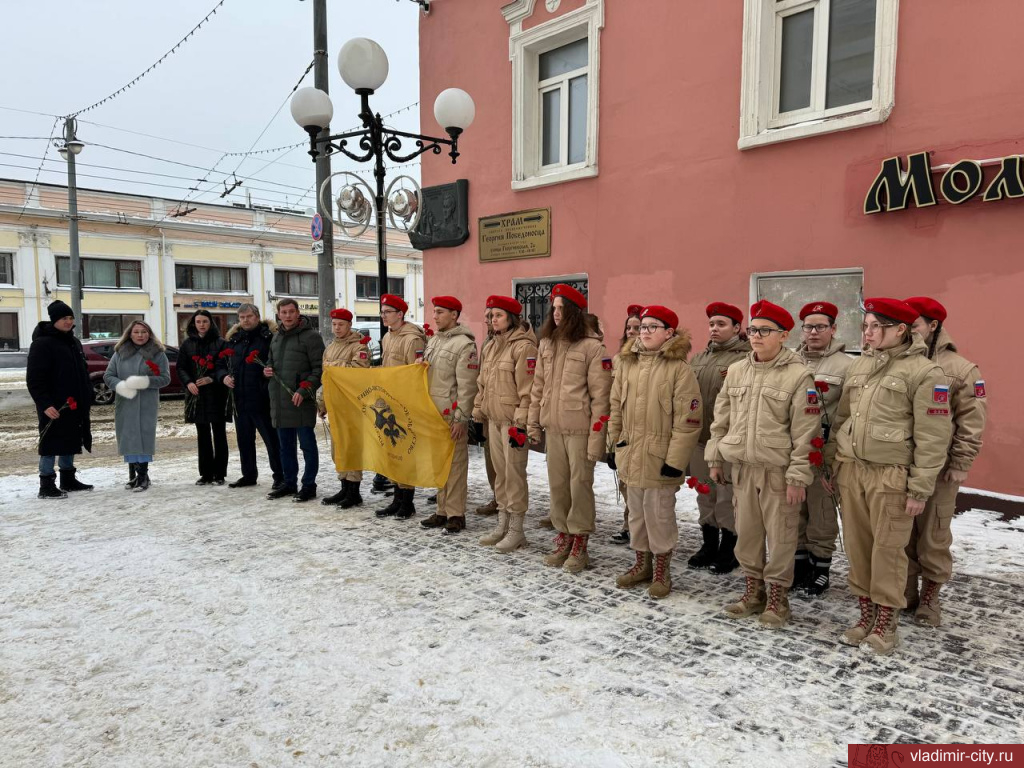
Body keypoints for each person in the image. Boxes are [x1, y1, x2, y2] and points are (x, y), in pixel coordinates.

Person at [826, 298, 952, 655]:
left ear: (900, 330)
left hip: (891, 476)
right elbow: (842, 420)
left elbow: (933, 437)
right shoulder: (859, 366)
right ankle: (865, 615)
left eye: (875, 327)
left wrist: (920, 488)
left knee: (888, 551)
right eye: (865, 326)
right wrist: (833, 462)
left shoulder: (925, 373)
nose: (867, 333)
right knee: (858, 546)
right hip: (853, 470)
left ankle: (886, 622)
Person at [706, 301, 818, 629]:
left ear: (783, 335)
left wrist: (798, 475)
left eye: (764, 331)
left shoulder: (799, 375)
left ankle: (778, 600)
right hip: (743, 468)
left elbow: (806, 432)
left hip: (778, 472)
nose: (756, 336)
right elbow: (721, 418)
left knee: (782, 537)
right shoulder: (739, 370)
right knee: (748, 534)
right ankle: (752, 592)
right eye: (753, 330)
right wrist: (715, 455)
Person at [608, 305, 702, 598]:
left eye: (652, 327)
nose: (644, 332)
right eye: (642, 326)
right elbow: (615, 407)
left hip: (661, 458)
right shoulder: (626, 364)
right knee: (636, 514)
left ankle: (662, 571)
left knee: (659, 515)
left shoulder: (679, 369)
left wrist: (675, 461)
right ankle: (641, 565)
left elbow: (688, 421)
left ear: (669, 333)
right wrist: (614, 444)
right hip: (630, 452)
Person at [904, 296, 987, 627]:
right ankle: (905, 591)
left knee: (933, 535)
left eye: (914, 326)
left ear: (933, 326)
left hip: (939, 470)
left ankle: (930, 598)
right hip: (900, 465)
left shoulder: (961, 369)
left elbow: (972, 421)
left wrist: (960, 461)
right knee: (900, 534)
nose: (908, 332)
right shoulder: (898, 363)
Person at [528, 284, 612, 573]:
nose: (557, 313)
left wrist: (596, 440)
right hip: (554, 428)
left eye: (562, 308)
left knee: (580, 487)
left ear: (575, 312)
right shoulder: (547, 343)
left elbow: (601, 399)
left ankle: (580, 542)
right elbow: (537, 387)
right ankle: (563, 534)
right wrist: (533, 423)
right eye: (554, 308)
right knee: (558, 486)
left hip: (580, 430)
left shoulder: (592, 346)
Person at [793, 301, 853, 595]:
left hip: (823, 453)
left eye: (820, 327)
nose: (813, 332)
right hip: (792, 451)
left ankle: (821, 567)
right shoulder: (789, 361)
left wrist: (833, 455)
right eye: (808, 326)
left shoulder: (847, 366)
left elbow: (847, 416)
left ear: (833, 329)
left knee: (821, 512)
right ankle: (799, 563)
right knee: (794, 510)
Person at [686, 302, 751, 573]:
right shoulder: (699, 358)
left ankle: (730, 548)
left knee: (727, 498)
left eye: (721, 324)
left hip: (728, 442)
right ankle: (709, 543)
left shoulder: (745, 359)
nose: (714, 328)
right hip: (702, 439)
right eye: (712, 324)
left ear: (737, 328)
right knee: (705, 495)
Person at [474, 295, 539, 552]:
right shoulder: (490, 346)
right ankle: (502, 523)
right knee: (500, 475)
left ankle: (517, 529)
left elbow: (528, 390)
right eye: (490, 315)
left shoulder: (524, 347)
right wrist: (479, 408)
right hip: (494, 419)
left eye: (498, 315)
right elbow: (482, 382)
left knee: (514, 475)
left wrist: (522, 421)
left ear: (511, 318)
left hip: (514, 423)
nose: (493, 320)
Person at [419, 296, 479, 533]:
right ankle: (441, 510)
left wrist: (462, 418)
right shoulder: (434, 341)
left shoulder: (465, 345)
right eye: (434, 312)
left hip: (450, 415)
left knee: (455, 465)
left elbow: (468, 386)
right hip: (432, 414)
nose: (435, 316)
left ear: (454, 315)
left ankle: (456, 513)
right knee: (439, 464)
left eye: (440, 312)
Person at [26, 299, 94, 499]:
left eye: (71, 318)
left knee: (71, 440)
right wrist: (45, 404)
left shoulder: (73, 341)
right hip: (54, 405)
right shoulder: (42, 344)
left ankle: (68, 479)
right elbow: (34, 379)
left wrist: (87, 393)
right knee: (50, 443)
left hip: (73, 404)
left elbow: (81, 371)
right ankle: (46, 484)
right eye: (64, 318)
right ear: (54, 320)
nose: (69, 321)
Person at [263, 298, 325, 502]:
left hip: (300, 401)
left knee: (307, 446)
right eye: (284, 312)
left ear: (298, 313)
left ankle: (309, 485)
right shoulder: (276, 337)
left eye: (291, 312)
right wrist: (267, 369)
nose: (288, 316)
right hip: (279, 401)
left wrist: (304, 389)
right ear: (279, 315)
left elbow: (319, 369)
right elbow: (271, 361)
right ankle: (289, 483)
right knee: (285, 446)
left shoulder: (311, 337)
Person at [375, 293, 428, 519]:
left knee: (406, 453)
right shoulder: (387, 337)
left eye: (387, 312)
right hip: (389, 403)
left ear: (400, 314)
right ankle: (397, 498)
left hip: (405, 403)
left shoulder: (412, 338)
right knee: (393, 453)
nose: (383, 316)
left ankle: (407, 501)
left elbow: (413, 374)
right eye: (382, 312)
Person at [221, 304, 284, 490]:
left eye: (249, 316)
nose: (246, 320)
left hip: (261, 398)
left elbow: (276, 363)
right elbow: (221, 363)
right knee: (244, 441)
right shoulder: (234, 339)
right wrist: (223, 376)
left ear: (257, 317)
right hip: (239, 398)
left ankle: (279, 476)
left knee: (272, 441)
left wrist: (266, 378)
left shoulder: (269, 337)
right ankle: (248, 474)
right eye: (242, 317)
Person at [103, 320, 171, 491]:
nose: (140, 335)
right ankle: (134, 476)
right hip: (125, 402)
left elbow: (165, 378)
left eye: (144, 332)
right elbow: (109, 375)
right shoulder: (120, 353)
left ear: (149, 334)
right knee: (128, 437)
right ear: (130, 334)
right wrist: (121, 386)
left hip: (146, 402)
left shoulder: (158, 353)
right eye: (136, 332)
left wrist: (144, 381)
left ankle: (143, 477)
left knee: (143, 437)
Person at [317, 308, 371, 507]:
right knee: (338, 448)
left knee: (352, 447)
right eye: (334, 324)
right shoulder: (330, 347)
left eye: (341, 324)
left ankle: (354, 491)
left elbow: (358, 372)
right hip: (334, 404)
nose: (337, 328)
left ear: (349, 325)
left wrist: (334, 367)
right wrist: (322, 403)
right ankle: (344, 488)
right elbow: (325, 378)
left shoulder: (359, 347)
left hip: (352, 405)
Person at [177, 309, 231, 485]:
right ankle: (206, 473)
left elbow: (225, 366)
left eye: (205, 322)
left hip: (216, 394)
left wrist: (212, 378)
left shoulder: (221, 343)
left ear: (210, 323)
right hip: (196, 395)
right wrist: (188, 383)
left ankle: (220, 474)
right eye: (198, 322)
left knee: (219, 435)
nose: (201, 325)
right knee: (203, 435)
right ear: (194, 324)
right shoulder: (187, 344)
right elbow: (181, 367)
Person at [610, 304, 644, 545]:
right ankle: (628, 523)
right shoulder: (619, 358)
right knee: (625, 483)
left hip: (644, 429)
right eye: (628, 327)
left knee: (641, 485)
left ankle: (639, 528)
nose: (631, 331)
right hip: (623, 429)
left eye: (637, 327)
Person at [473, 308, 499, 516]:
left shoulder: (521, 344)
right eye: (487, 317)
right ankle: (497, 497)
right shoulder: (487, 343)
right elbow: (481, 378)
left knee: (507, 463)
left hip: (506, 412)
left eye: (492, 316)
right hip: (488, 409)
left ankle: (508, 503)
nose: (488, 321)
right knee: (490, 458)